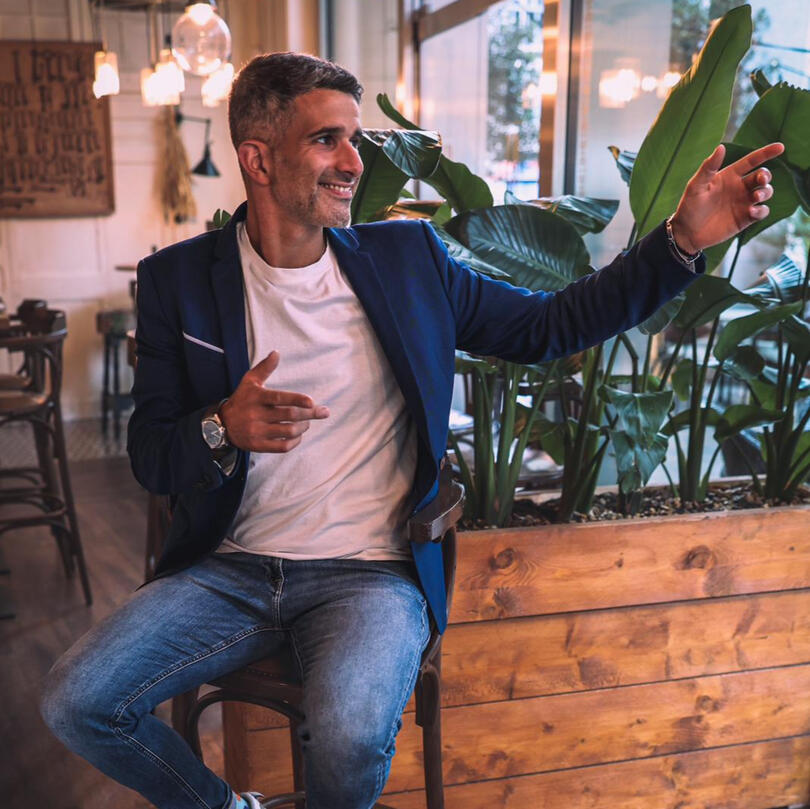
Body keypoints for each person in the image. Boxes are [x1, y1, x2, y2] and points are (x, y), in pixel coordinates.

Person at [40, 51, 783, 809]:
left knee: (350, 736)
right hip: (230, 570)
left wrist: (680, 241)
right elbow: (151, 456)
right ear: (257, 161)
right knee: (77, 701)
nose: (353, 163)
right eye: (326, 140)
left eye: (353, 139)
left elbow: (551, 325)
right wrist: (220, 426)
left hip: (368, 573)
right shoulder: (179, 281)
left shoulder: (408, 260)